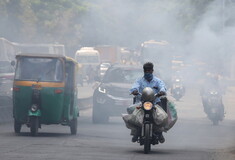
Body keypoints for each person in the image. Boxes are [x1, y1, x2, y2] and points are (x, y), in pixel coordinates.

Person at [129, 62, 167, 143]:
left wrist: (162, 91)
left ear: (152, 71)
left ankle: (160, 133)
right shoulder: (139, 80)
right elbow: (134, 86)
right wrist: (134, 90)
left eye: (149, 70)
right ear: (143, 71)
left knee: (162, 116)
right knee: (134, 116)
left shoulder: (158, 81)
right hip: (141, 102)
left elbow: (162, 87)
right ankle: (135, 132)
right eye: (146, 71)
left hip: (155, 103)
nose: (147, 72)